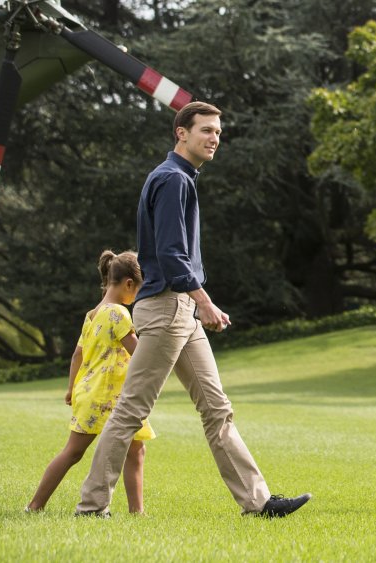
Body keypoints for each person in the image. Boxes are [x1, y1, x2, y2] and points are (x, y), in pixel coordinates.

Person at [75, 101, 310, 519]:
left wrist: (195, 303)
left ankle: (258, 503)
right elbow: (169, 253)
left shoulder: (179, 178)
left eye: (218, 131)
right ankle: (92, 507)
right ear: (181, 133)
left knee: (217, 409)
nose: (214, 137)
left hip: (179, 308)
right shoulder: (172, 179)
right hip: (168, 307)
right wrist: (204, 301)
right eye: (205, 130)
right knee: (131, 409)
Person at [27, 250, 155, 514]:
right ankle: (35, 505)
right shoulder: (119, 314)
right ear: (128, 284)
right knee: (84, 452)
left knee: (129, 450)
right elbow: (138, 352)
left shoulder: (92, 314)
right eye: (139, 289)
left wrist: (71, 389)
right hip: (111, 397)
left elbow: (77, 355)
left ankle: (36, 506)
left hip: (92, 393)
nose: (138, 296)